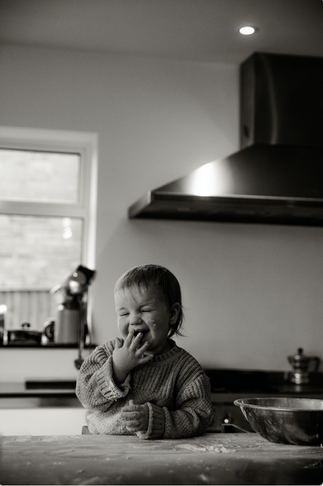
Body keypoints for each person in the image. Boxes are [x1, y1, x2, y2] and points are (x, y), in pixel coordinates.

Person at [76, 264, 212, 440]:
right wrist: (116, 369)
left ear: (172, 314)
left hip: (157, 456)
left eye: (145, 310)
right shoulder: (107, 353)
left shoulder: (186, 370)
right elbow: (86, 397)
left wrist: (155, 421)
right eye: (123, 313)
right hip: (101, 447)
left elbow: (199, 417)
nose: (133, 319)